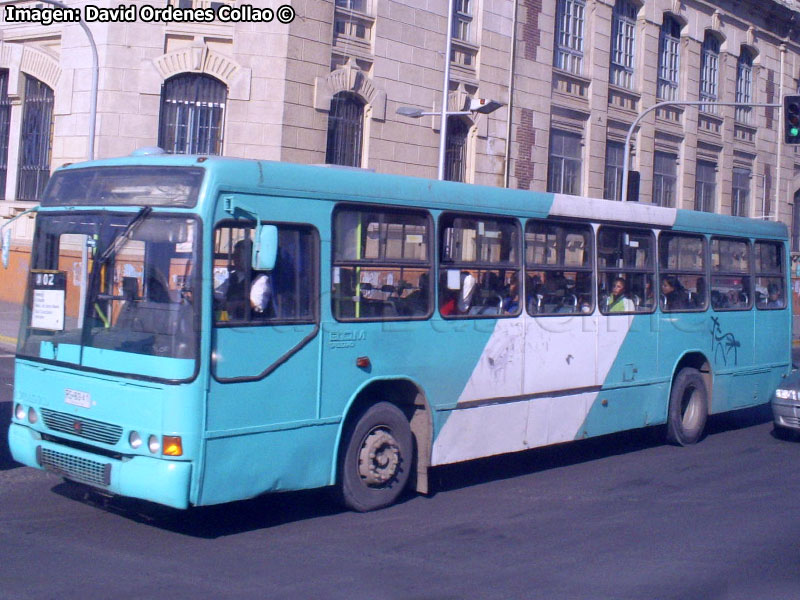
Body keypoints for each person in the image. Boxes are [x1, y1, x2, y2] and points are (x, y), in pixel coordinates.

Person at [215, 238, 272, 320]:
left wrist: (231, 305)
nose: (235, 259)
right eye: (234, 256)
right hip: (230, 320)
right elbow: (220, 294)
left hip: (249, 324)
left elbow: (256, 303)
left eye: (239, 256)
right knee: (211, 319)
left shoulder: (260, 279)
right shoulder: (233, 276)